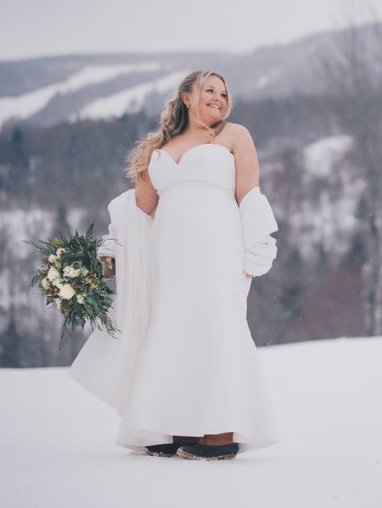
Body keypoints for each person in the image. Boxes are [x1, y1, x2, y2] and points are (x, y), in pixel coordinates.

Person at [95, 70, 279, 460]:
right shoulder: (160, 146)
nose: (218, 97)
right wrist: (113, 245)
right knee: (171, 326)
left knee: (216, 323)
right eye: (209, 90)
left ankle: (221, 430)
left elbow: (248, 191)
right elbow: (142, 207)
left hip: (218, 247)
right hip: (169, 254)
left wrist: (256, 245)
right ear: (186, 97)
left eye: (224, 92)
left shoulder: (233, 135)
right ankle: (174, 423)